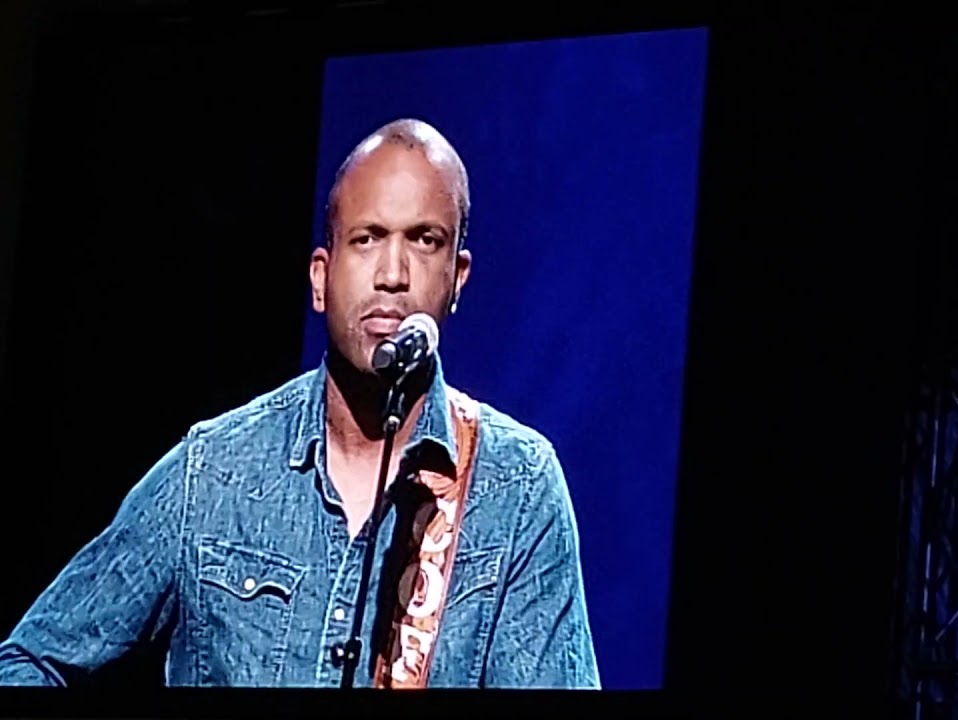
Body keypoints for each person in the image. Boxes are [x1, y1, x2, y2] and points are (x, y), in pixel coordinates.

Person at [0, 118, 600, 689]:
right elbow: (29, 661)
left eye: (424, 241)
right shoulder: (211, 471)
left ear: (457, 278)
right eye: (367, 239)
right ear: (321, 276)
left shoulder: (517, 486)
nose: (393, 273)